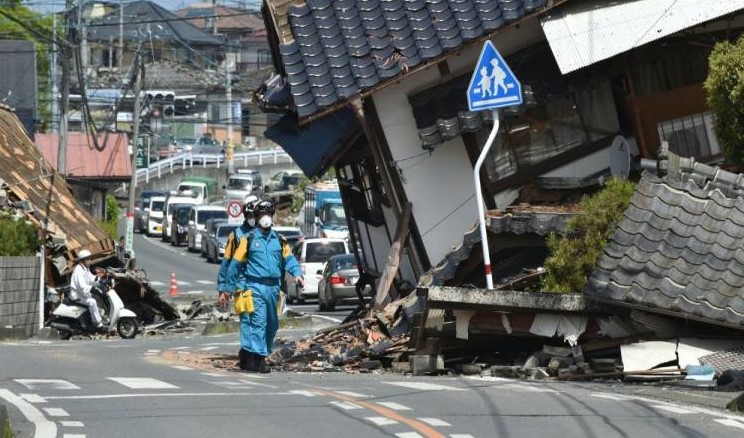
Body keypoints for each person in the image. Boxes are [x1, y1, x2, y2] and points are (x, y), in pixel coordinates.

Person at [225, 200, 304, 373]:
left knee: (272, 324)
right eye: (262, 215)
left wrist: (297, 274)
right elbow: (235, 265)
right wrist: (227, 288)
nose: (265, 218)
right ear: (257, 217)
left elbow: (289, 259)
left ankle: (256, 354)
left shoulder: (279, 240)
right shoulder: (249, 239)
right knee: (258, 323)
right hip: (255, 287)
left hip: (274, 288)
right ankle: (259, 359)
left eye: (268, 214)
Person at [217, 195, 258, 370]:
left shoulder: (268, 234)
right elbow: (227, 263)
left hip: (262, 286)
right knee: (247, 320)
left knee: (263, 321)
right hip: (242, 285)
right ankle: (248, 354)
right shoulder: (236, 236)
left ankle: (258, 352)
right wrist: (223, 288)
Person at [68, 249, 107, 333]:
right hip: (77, 296)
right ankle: (99, 325)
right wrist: (92, 289)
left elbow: (91, 279)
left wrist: (101, 281)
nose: (90, 261)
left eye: (90, 258)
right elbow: (82, 287)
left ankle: (96, 319)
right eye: (88, 259)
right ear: (83, 260)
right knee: (92, 302)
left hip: (82, 294)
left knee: (97, 299)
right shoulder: (78, 270)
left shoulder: (85, 269)